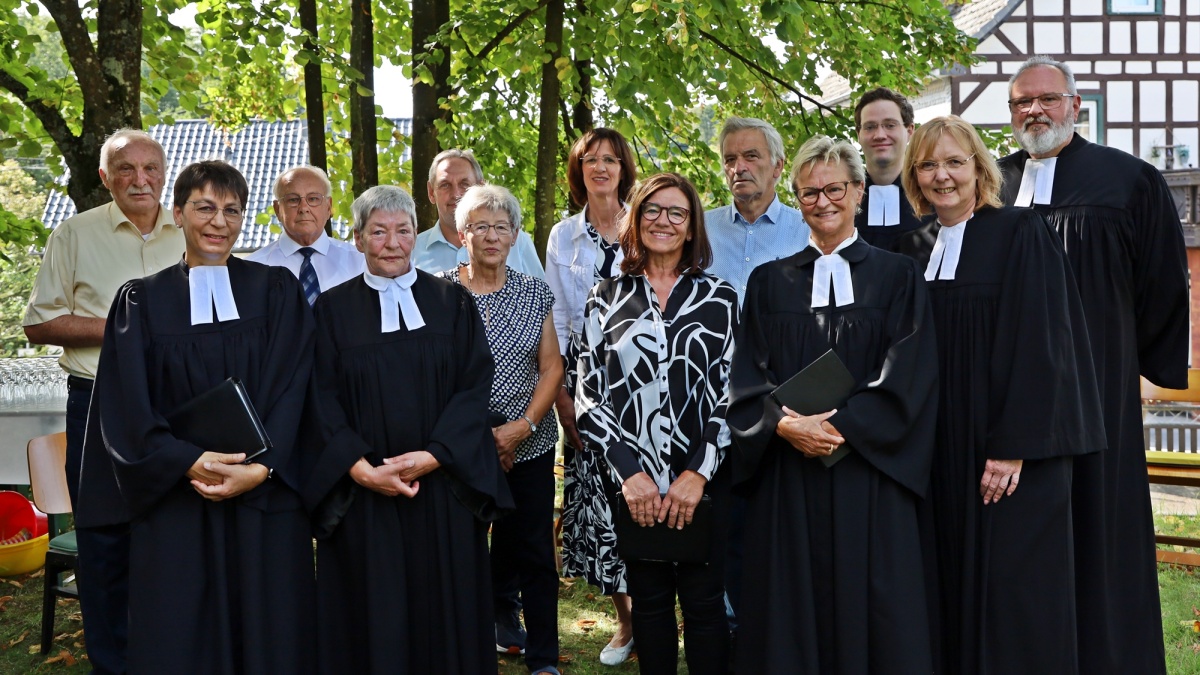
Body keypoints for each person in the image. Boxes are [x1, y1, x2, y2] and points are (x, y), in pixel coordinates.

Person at [76, 160, 316, 673]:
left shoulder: (276, 292)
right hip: (178, 499)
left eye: (232, 210)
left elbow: (294, 386)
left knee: (270, 629)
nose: (218, 222)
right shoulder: (140, 302)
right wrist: (186, 461)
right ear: (178, 213)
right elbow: (127, 406)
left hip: (263, 497)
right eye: (205, 207)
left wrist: (262, 466)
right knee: (182, 633)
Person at [998, 55, 1189, 675]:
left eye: (1047, 99)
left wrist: (1136, 370)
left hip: (1101, 389)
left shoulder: (1128, 179)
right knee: (1020, 538)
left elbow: (1162, 283)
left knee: (1102, 532)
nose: (1035, 111)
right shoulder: (990, 184)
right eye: (1022, 102)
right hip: (1009, 401)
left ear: (1075, 105)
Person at [895, 115, 1105, 673]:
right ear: (914, 175)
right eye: (928, 164)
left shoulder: (1019, 232)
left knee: (1011, 586)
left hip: (1003, 450)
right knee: (943, 577)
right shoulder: (912, 249)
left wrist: (1013, 445)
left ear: (978, 167)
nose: (942, 175)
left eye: (954, 162)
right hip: (936, 447)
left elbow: (1044, 341)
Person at [728, 136, 938, 673]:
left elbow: (909, 372)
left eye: (834, 190)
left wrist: (841, 427)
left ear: (859, 192)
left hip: (869, 472)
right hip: (790, 477)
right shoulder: (770, 283)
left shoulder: (898, 276)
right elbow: (747, 377)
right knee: (790, 603)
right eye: (808, 193)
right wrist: (782, 426)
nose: (822, 202)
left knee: (874, 605)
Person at [302, 185, 511, 673]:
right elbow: (319, 398)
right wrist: (359, 469)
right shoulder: (330, 311)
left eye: (402, 230)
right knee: (372, 611)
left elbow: (474, 386)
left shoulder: (452, 302)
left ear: (417, 235)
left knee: (445, 607)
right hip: (364, 496)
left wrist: (435, 455)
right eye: (378, 232)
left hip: (441, 490)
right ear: (357, 240)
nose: (392, 242)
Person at [23, 128, 184, 675]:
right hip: (97, 401)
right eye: (126, 169)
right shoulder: (74, 233)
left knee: (173, 531)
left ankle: (172, 651)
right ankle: (113, 663)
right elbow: (40, 323)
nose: (140, 180)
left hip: (175, 403)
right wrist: (126, 323)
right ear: (104, 177)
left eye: (150, 168)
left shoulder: (190, 228)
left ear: (165, 172)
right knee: (105, 539)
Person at [576, 172, 737, 675]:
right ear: (635, 221)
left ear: (692, 228)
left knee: (705, 603)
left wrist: (697, 473)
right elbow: (587, 395)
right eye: (652, 210)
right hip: (634, 485)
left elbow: (735, 394)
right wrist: (630, 474)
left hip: (702, 480)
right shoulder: (605, 297)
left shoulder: (721, 297)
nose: (663, 221)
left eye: (677, 213)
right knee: (649, 603)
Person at [440, 184, 564, 675]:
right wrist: (484, 438)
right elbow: (437, 377)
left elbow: (551, 367)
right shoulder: (439, 293)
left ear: (515, 235)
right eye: (480, 226)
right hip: (464, 448)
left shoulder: (535, 293)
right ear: (462, 234)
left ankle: (544, 659)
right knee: (463, 553)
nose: (491, 236)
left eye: (501, 226)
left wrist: (521, 428)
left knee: (534, 553)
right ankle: (467, 651)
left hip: (529, 444)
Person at [547, 127, 638, 665]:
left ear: (624, 167)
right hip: (585, 380)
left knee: (645, 495)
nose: (600, 168)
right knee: (596, 506)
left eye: (610, 159)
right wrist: (563, 398)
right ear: (578, 171)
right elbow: (557, 319)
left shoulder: (644, 220)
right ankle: (627, 624)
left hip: (641, 376)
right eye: (590, 160)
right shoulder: (563, 236)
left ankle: (654, 611)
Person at [704, 116, 808, 301]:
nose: (738, 168)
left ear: (777, 166)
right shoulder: (701, 228)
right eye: (730, 159)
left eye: (751, 156)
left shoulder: (805, 230)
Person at [414, 148, 544, 278]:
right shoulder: (412, 250)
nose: (456, 194)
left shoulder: (518, 242)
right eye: (445, 185)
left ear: (481, 188)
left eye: (464, 184)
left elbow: (541, 295)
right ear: (431, 192)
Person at [247, 165, 364, 302]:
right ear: (278, 209)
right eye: (293, 200)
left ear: (328, 207)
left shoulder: (360, 263)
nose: (303, 208)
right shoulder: (254, 269)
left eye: (313, 199)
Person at [853, 87, 925, 251]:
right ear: (859, 134)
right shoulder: (845, 198)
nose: (880, 135)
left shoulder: (929, 195)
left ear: (909, 131)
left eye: (890, 125)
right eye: (870, 127)